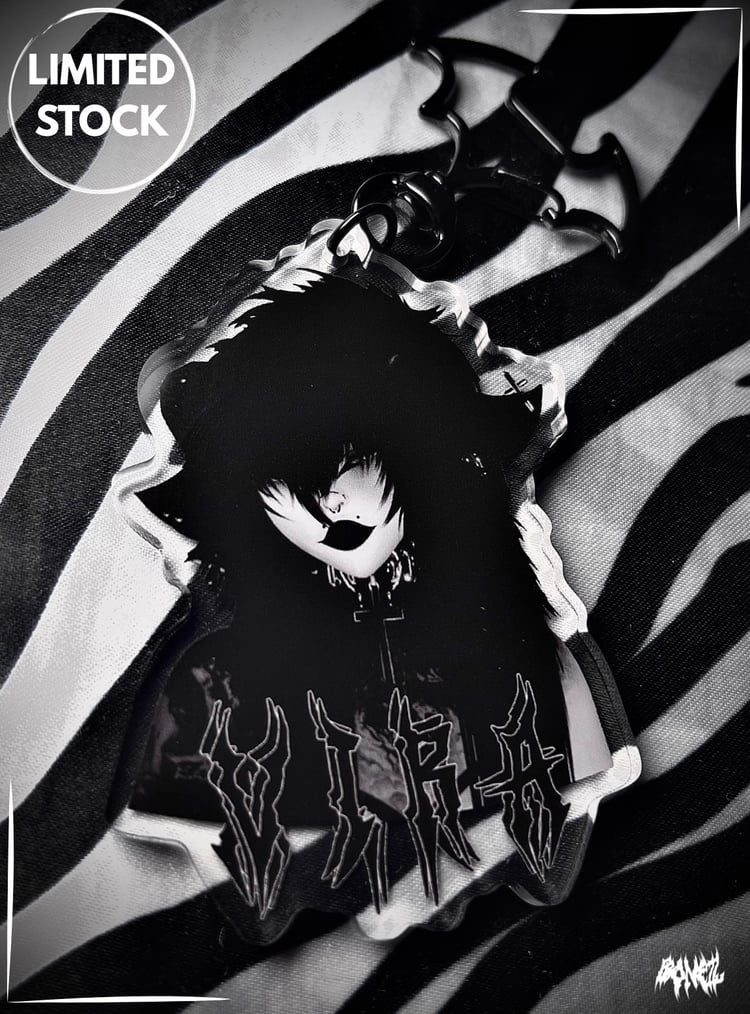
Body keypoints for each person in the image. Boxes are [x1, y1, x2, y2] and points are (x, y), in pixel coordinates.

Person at [129, 273, 603, 828]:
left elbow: (571, 786)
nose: (325, 505)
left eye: (349, 462)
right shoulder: (212, 689)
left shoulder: (530, 657)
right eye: (276, 481)